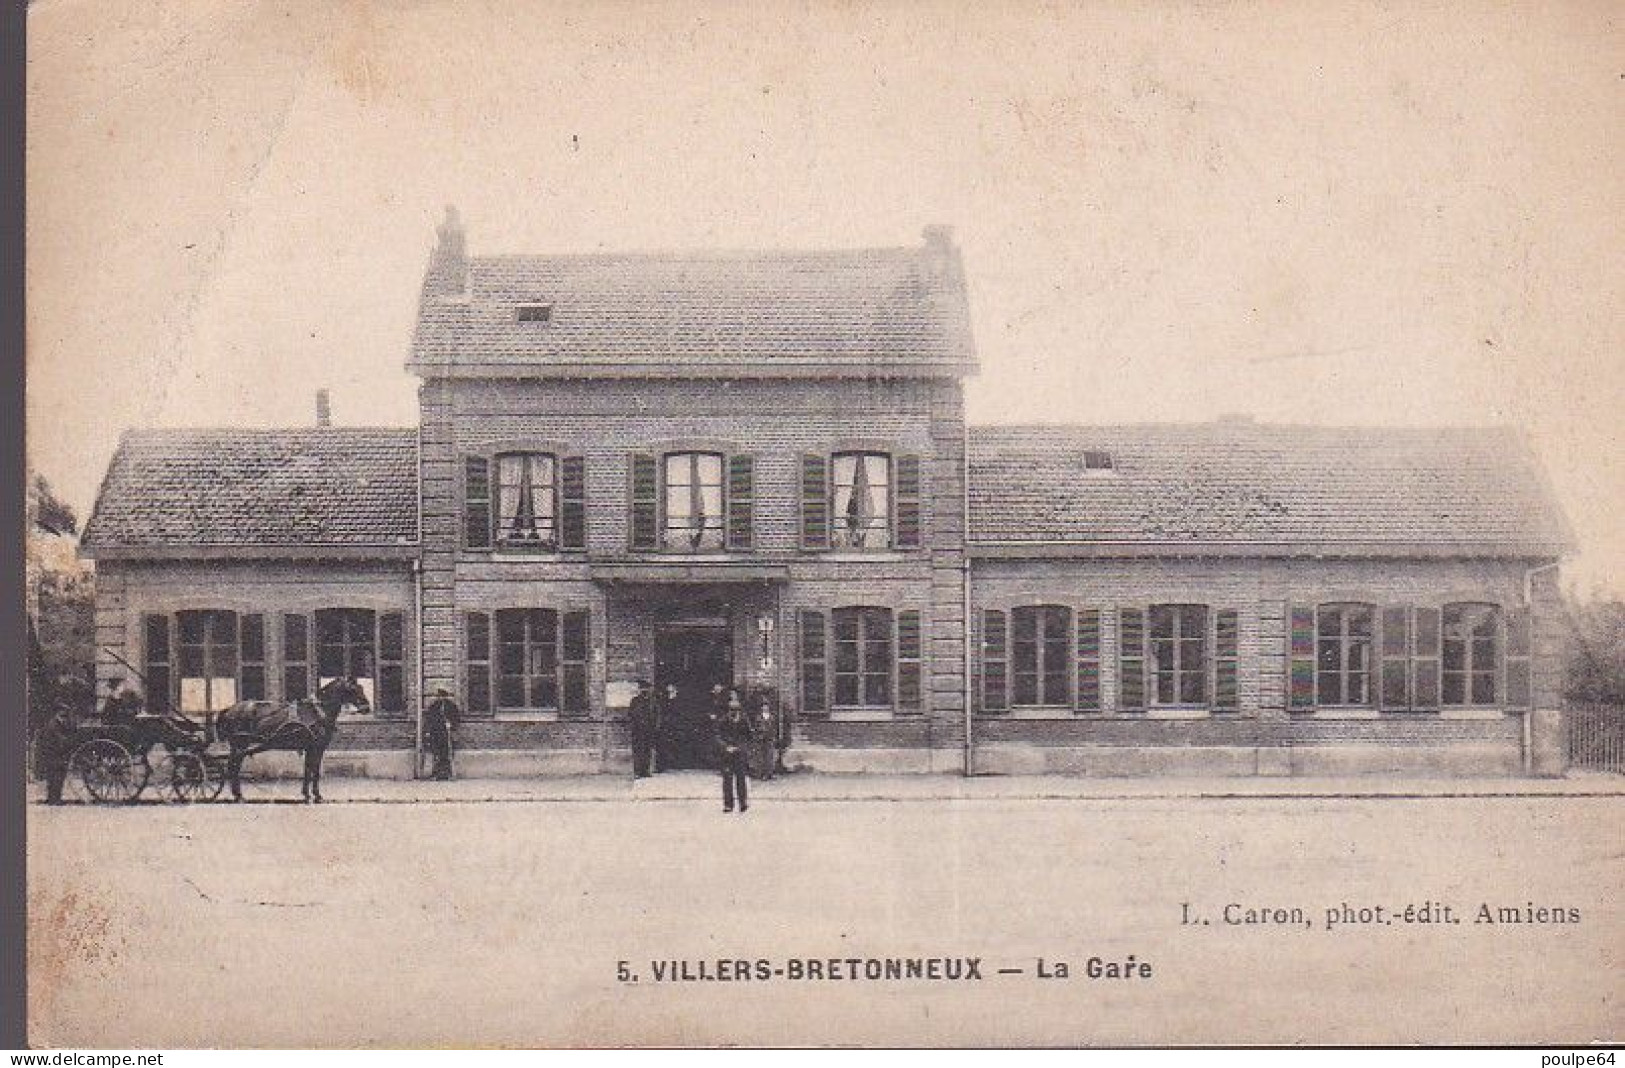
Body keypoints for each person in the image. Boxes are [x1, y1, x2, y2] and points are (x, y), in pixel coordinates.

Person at [715, 689, 754, 814]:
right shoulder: (723, 721)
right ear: (728, 711)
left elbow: (749, 736)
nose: (734, 713)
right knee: (727, 779)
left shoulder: (744, 721)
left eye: (736, 711)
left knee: (741, 779)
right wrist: (725, 747)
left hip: (740, 754)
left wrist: (742, 747)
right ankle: (728, 805)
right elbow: (717, 736)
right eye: (731, 711)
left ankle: (743, 803)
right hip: (727, 754)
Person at [423, 686, 460, 780]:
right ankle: (436, 774)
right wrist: (428, 731)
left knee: (447, 754)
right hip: (436, 733)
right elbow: (429, 719)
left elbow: (456, 717)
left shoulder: (451, 706)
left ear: (445, 696)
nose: (440, 698)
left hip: (446, 734)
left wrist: (451, 724)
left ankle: (448, 774)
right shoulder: (434, 706)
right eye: (439, 696)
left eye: (442, 696)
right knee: (436, 753)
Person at [628, 679, 659, 778]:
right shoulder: (635, 701)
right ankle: (637, 772)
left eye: (647, 689)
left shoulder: (653, 702)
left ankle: (645, 771)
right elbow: (631, 714)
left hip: (649, 730)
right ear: (640, 690)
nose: (644, 691)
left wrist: (655, 727)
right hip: (637, 730)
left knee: (647, 751)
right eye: (642, 689)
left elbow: (657, 715)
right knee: (638, 751)